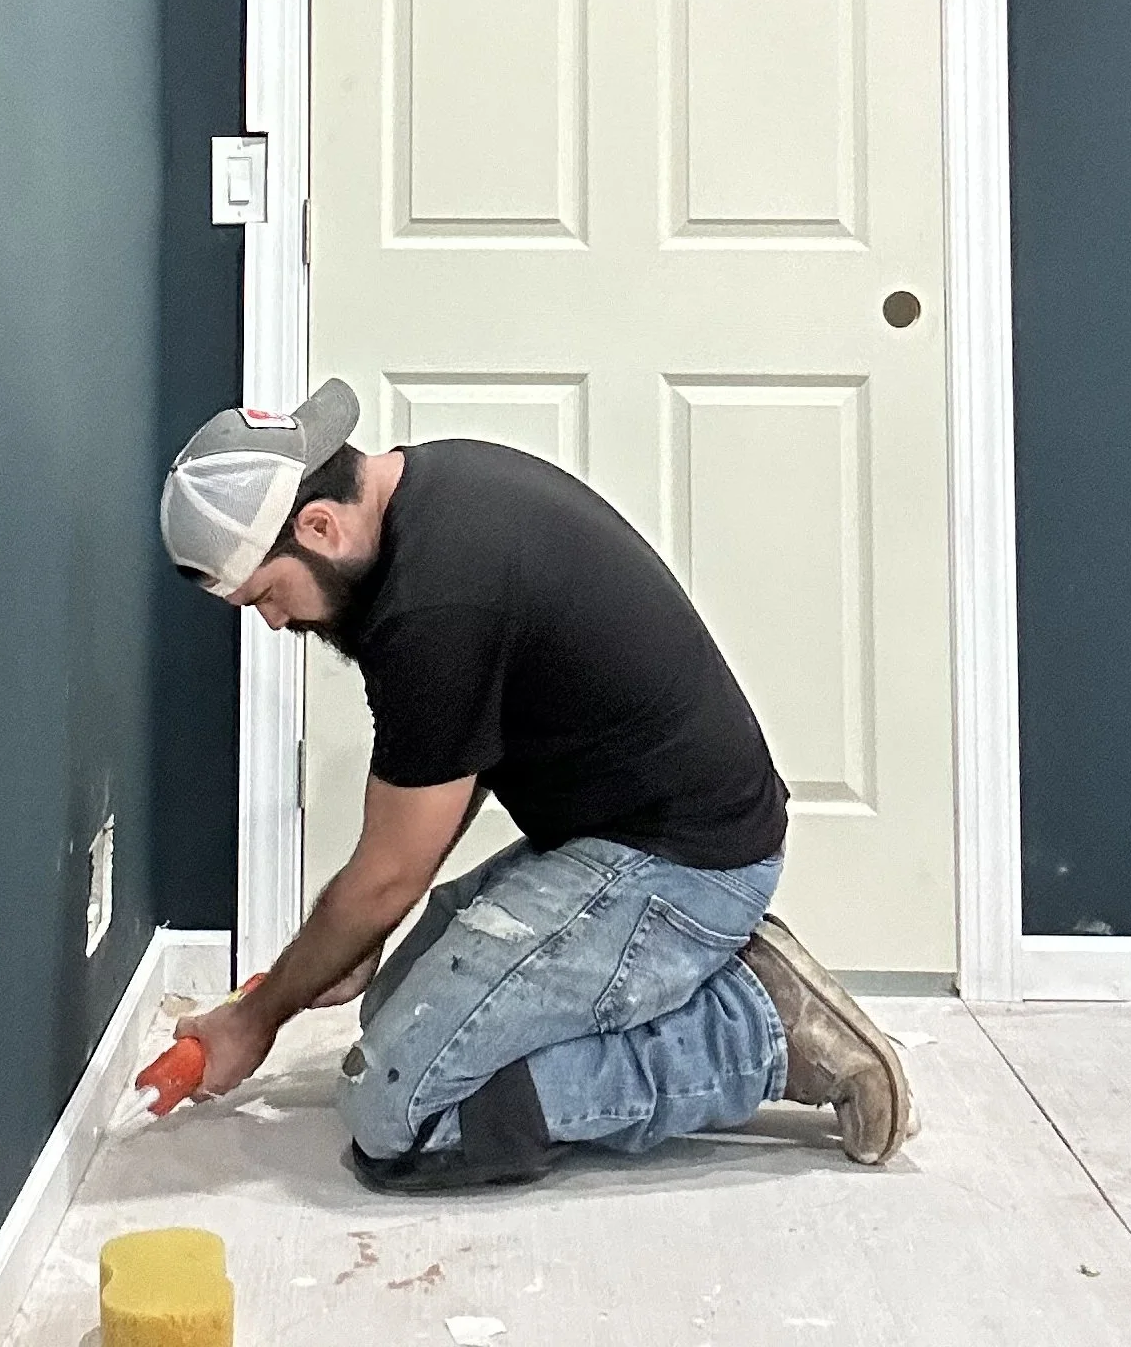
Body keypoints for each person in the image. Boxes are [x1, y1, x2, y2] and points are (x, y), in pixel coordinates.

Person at [159, 380, 912, 1190]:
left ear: (318, 526)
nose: (275, 622)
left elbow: (388, 875)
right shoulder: (436, 490)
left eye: (268, 594)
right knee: (387, 1017)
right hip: (629, 835)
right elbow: (450, 772)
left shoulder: (432, 607)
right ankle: (698, 975)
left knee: (398, 1118)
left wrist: (254, 1019)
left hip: (681, 868)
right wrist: (359, 938)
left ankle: (754, 1031)